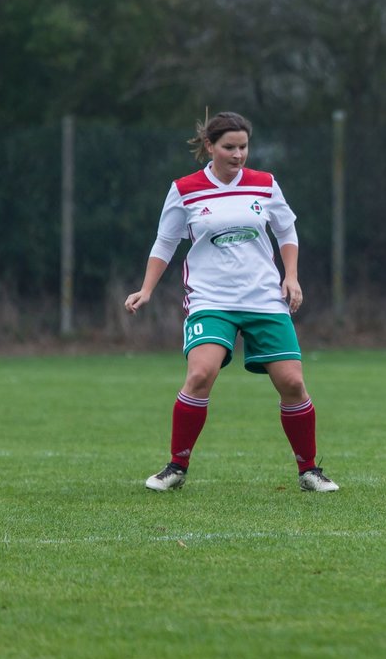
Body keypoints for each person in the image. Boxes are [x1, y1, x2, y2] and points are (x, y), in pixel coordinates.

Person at [124, 111, 339, 492]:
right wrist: (147, 288)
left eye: (243, 147)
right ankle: (176, 467)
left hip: (263, 298)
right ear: (210, 146)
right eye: (229, 147)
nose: (238, 155)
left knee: (292, 382)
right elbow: (166, 242)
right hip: (211, 299)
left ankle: (309, 471)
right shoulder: (185, 188)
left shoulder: (265, 184)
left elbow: (286, 230)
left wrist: (291, 277)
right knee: (200, 375)